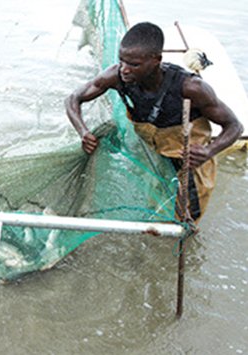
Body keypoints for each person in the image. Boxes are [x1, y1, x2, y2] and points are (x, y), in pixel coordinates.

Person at [65, 22, 243, 222]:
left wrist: (208, 151)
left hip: (190, 159)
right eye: (121, 60)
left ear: (156, 60)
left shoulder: (191, 88)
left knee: (187, 220)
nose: (124, 69)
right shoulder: (116, 76)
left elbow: (235, 126)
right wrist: (83, 132)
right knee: (157, 208)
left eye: (134, 64)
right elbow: (73, 99)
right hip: (156, 152)